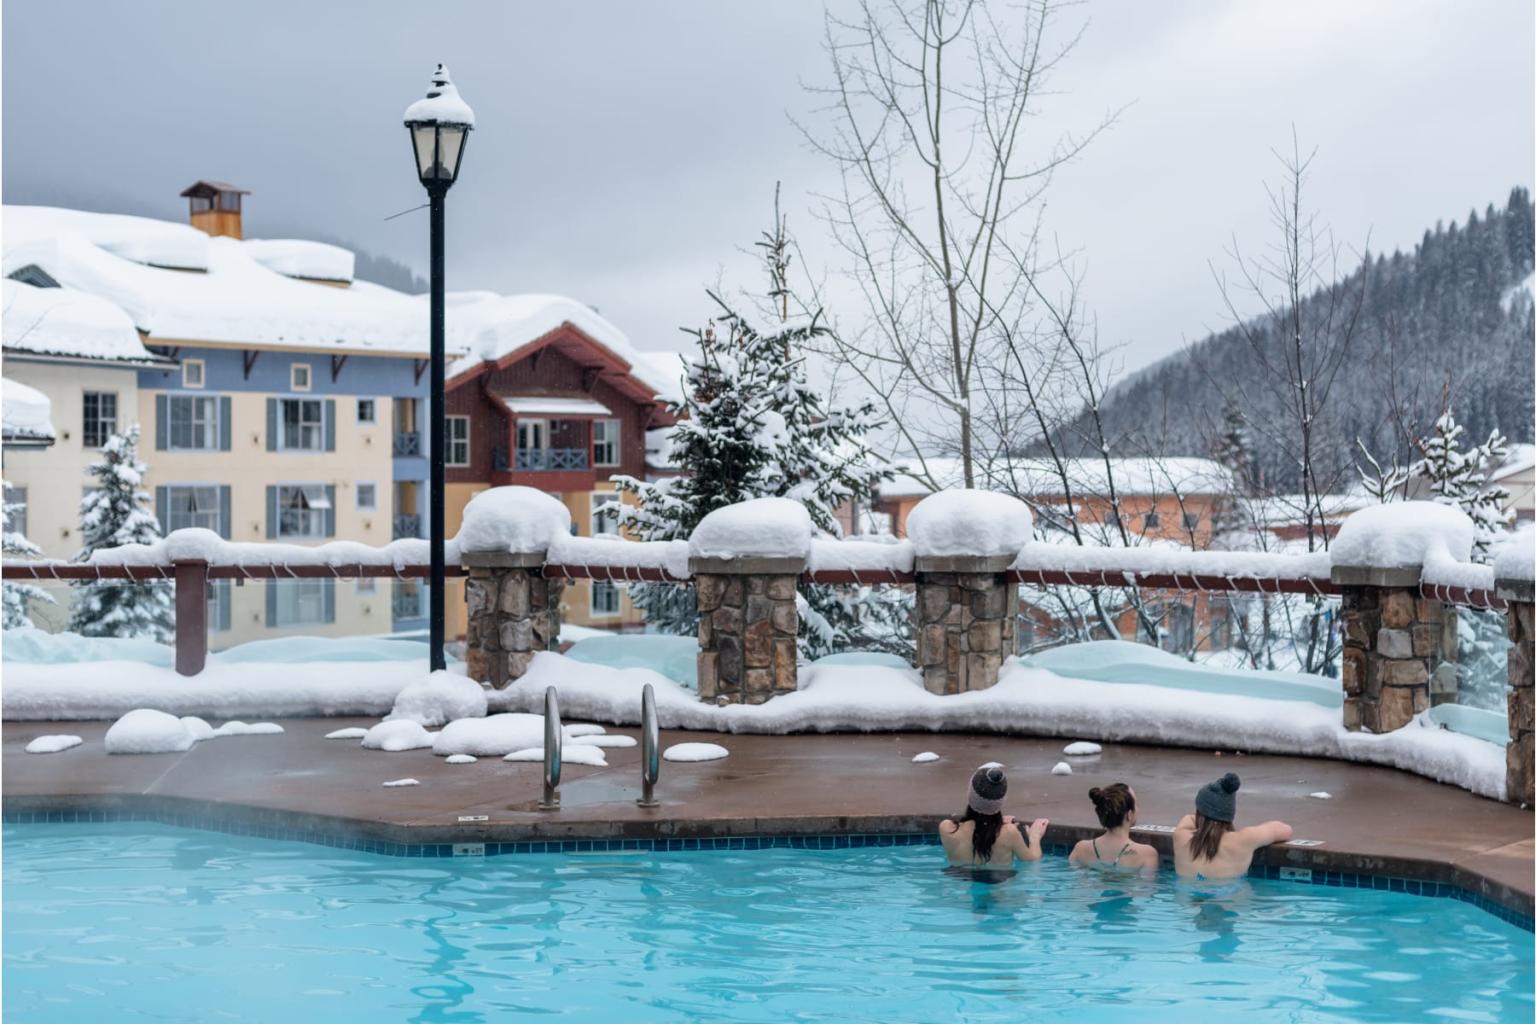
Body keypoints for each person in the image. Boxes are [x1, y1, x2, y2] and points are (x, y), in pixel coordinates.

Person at [1173, 773, 1293, 882]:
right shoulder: (1244, 839)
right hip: (1228, 901)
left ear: (1199, 812)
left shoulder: (1181, 837)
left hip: (1189, 902)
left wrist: (1206, 817)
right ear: (1229, 815)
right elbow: (1286, 830)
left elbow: (1188, 818)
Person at [939, 766, 1048, 868]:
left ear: (969, 795)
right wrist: (1035, 837)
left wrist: (1000, 825)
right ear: (1000, 801)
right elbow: (1032, 860)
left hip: (959, 884)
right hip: (998, 887)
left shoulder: (947, 828)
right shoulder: (1009, 833)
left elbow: (975, 832)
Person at [1068, 783, 1159, 874]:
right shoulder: (1147, 854)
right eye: (1136, 804)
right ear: (1129, 815)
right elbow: (1146, 887)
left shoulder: (1080, 849)